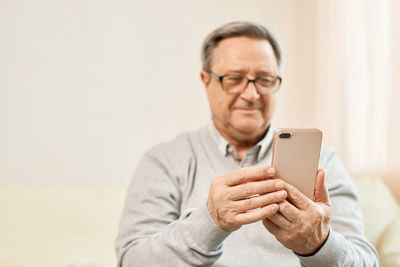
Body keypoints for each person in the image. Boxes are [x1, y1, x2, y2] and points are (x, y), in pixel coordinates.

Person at [115, 21, 378, 266]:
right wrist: (210, 222)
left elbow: (366, 261)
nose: (251, 94)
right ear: (206, 81)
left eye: (264, 79)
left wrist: (319, 244)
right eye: (233, 79)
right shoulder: (165, 160)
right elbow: (132, 259)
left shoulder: (322, 161)